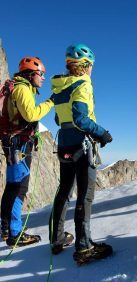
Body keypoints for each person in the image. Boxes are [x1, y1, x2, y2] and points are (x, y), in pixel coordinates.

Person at [49, 43, 113, 264]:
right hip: (82, 146)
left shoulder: (59, 87)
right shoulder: (83, 85)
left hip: (65, 144)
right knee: (85, 196)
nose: (92, 69)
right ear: (85, 66)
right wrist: (102, 133)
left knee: (64, 191)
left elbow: (59, 119)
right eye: (91, 65)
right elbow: (81, 119)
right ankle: (84, 248)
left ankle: (56, 240)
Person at [0, 57, 54, 247]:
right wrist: (50, 102)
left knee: (12, 186)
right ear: (30, 74)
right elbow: (31, 114)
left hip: (13, 143)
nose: (43, 78)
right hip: (19, 144)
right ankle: (15, 234)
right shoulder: (22, 89)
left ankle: (6, 228)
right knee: (19, 188)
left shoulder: (17, 87)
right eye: (41, 74)